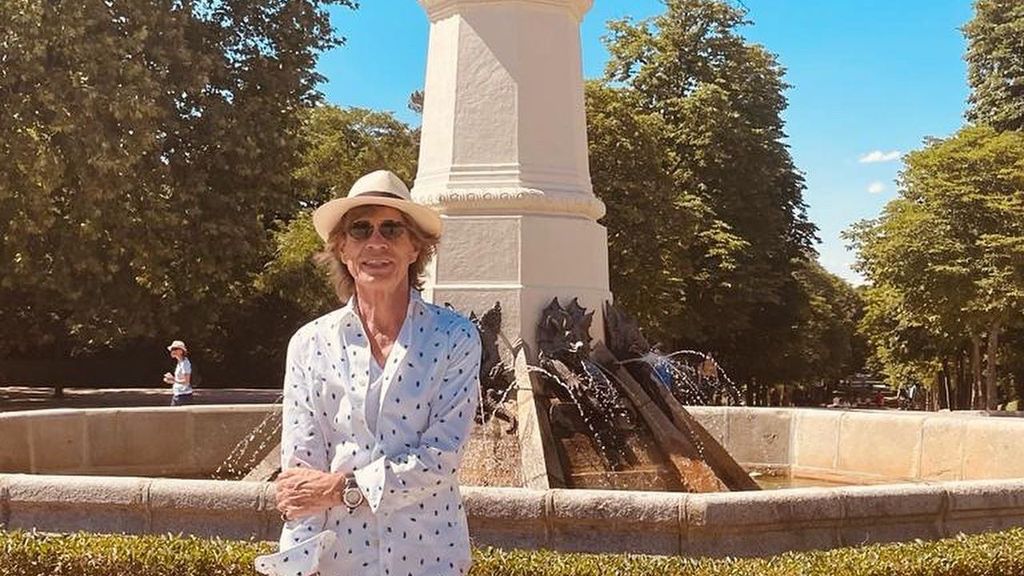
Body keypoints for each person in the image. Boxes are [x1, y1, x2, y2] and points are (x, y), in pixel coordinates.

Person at [254, 170, 482, 576]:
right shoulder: (308, 344)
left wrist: (341, 489)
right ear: (342, 248)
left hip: (431, 558)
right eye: (360, 229)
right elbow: (302, 476)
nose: (376, 242)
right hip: (339, 561)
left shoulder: (455, 338)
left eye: (392, 229)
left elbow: (442, 455)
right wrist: (292, 566)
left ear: (415, 248)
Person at [163, 340, 193, 406]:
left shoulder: (185, 363)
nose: (172, 351)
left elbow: (186, 382)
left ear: (181, 351)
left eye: (175, 349)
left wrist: (173, 379)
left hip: (183, 397)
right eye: (172, 349)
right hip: (178, 395)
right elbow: (179, 381)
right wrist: (171, 380)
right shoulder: (180, 363)